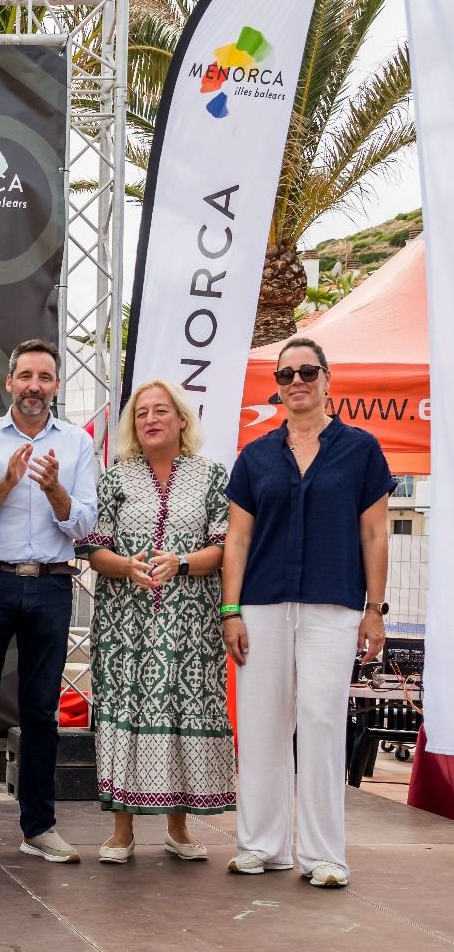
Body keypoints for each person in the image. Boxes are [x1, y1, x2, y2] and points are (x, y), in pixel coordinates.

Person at [221, 337, 392, 888]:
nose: (296, 381)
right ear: (277, 385)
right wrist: (230, 610)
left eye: (307, 372)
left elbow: (375, 533)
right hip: (262, 605)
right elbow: (237, 541)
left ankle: (324, 855)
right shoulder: (255, 456)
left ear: (326, 378)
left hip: (333, 605)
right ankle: (261, 845)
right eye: (286, 374)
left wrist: (375, 609)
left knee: (321, 720)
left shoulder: (361, 449)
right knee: (261, 723)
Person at [0, 339, 98, 866]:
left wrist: (54, 489)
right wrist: (6, 484)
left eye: (45, 377)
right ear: (9, 382)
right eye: (26, 376)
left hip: (52, 585)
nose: (35, 386)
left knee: (40, 712)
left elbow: (84, 525)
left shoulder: (76, 443)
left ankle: (39, 828)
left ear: (55, 386)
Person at [79, 379, 236, 863]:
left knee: (183, 711)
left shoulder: (211, 476)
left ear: (182, 419)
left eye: (161, 410)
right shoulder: (116, 478)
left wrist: (182, 562)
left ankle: (179, 829)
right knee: (126, 711)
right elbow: (94, 549)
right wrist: (127, 566)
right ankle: (121, 831)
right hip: (125, 624)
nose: (150, 419)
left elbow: (225, 547)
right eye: (142, 412)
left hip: (192, 625)